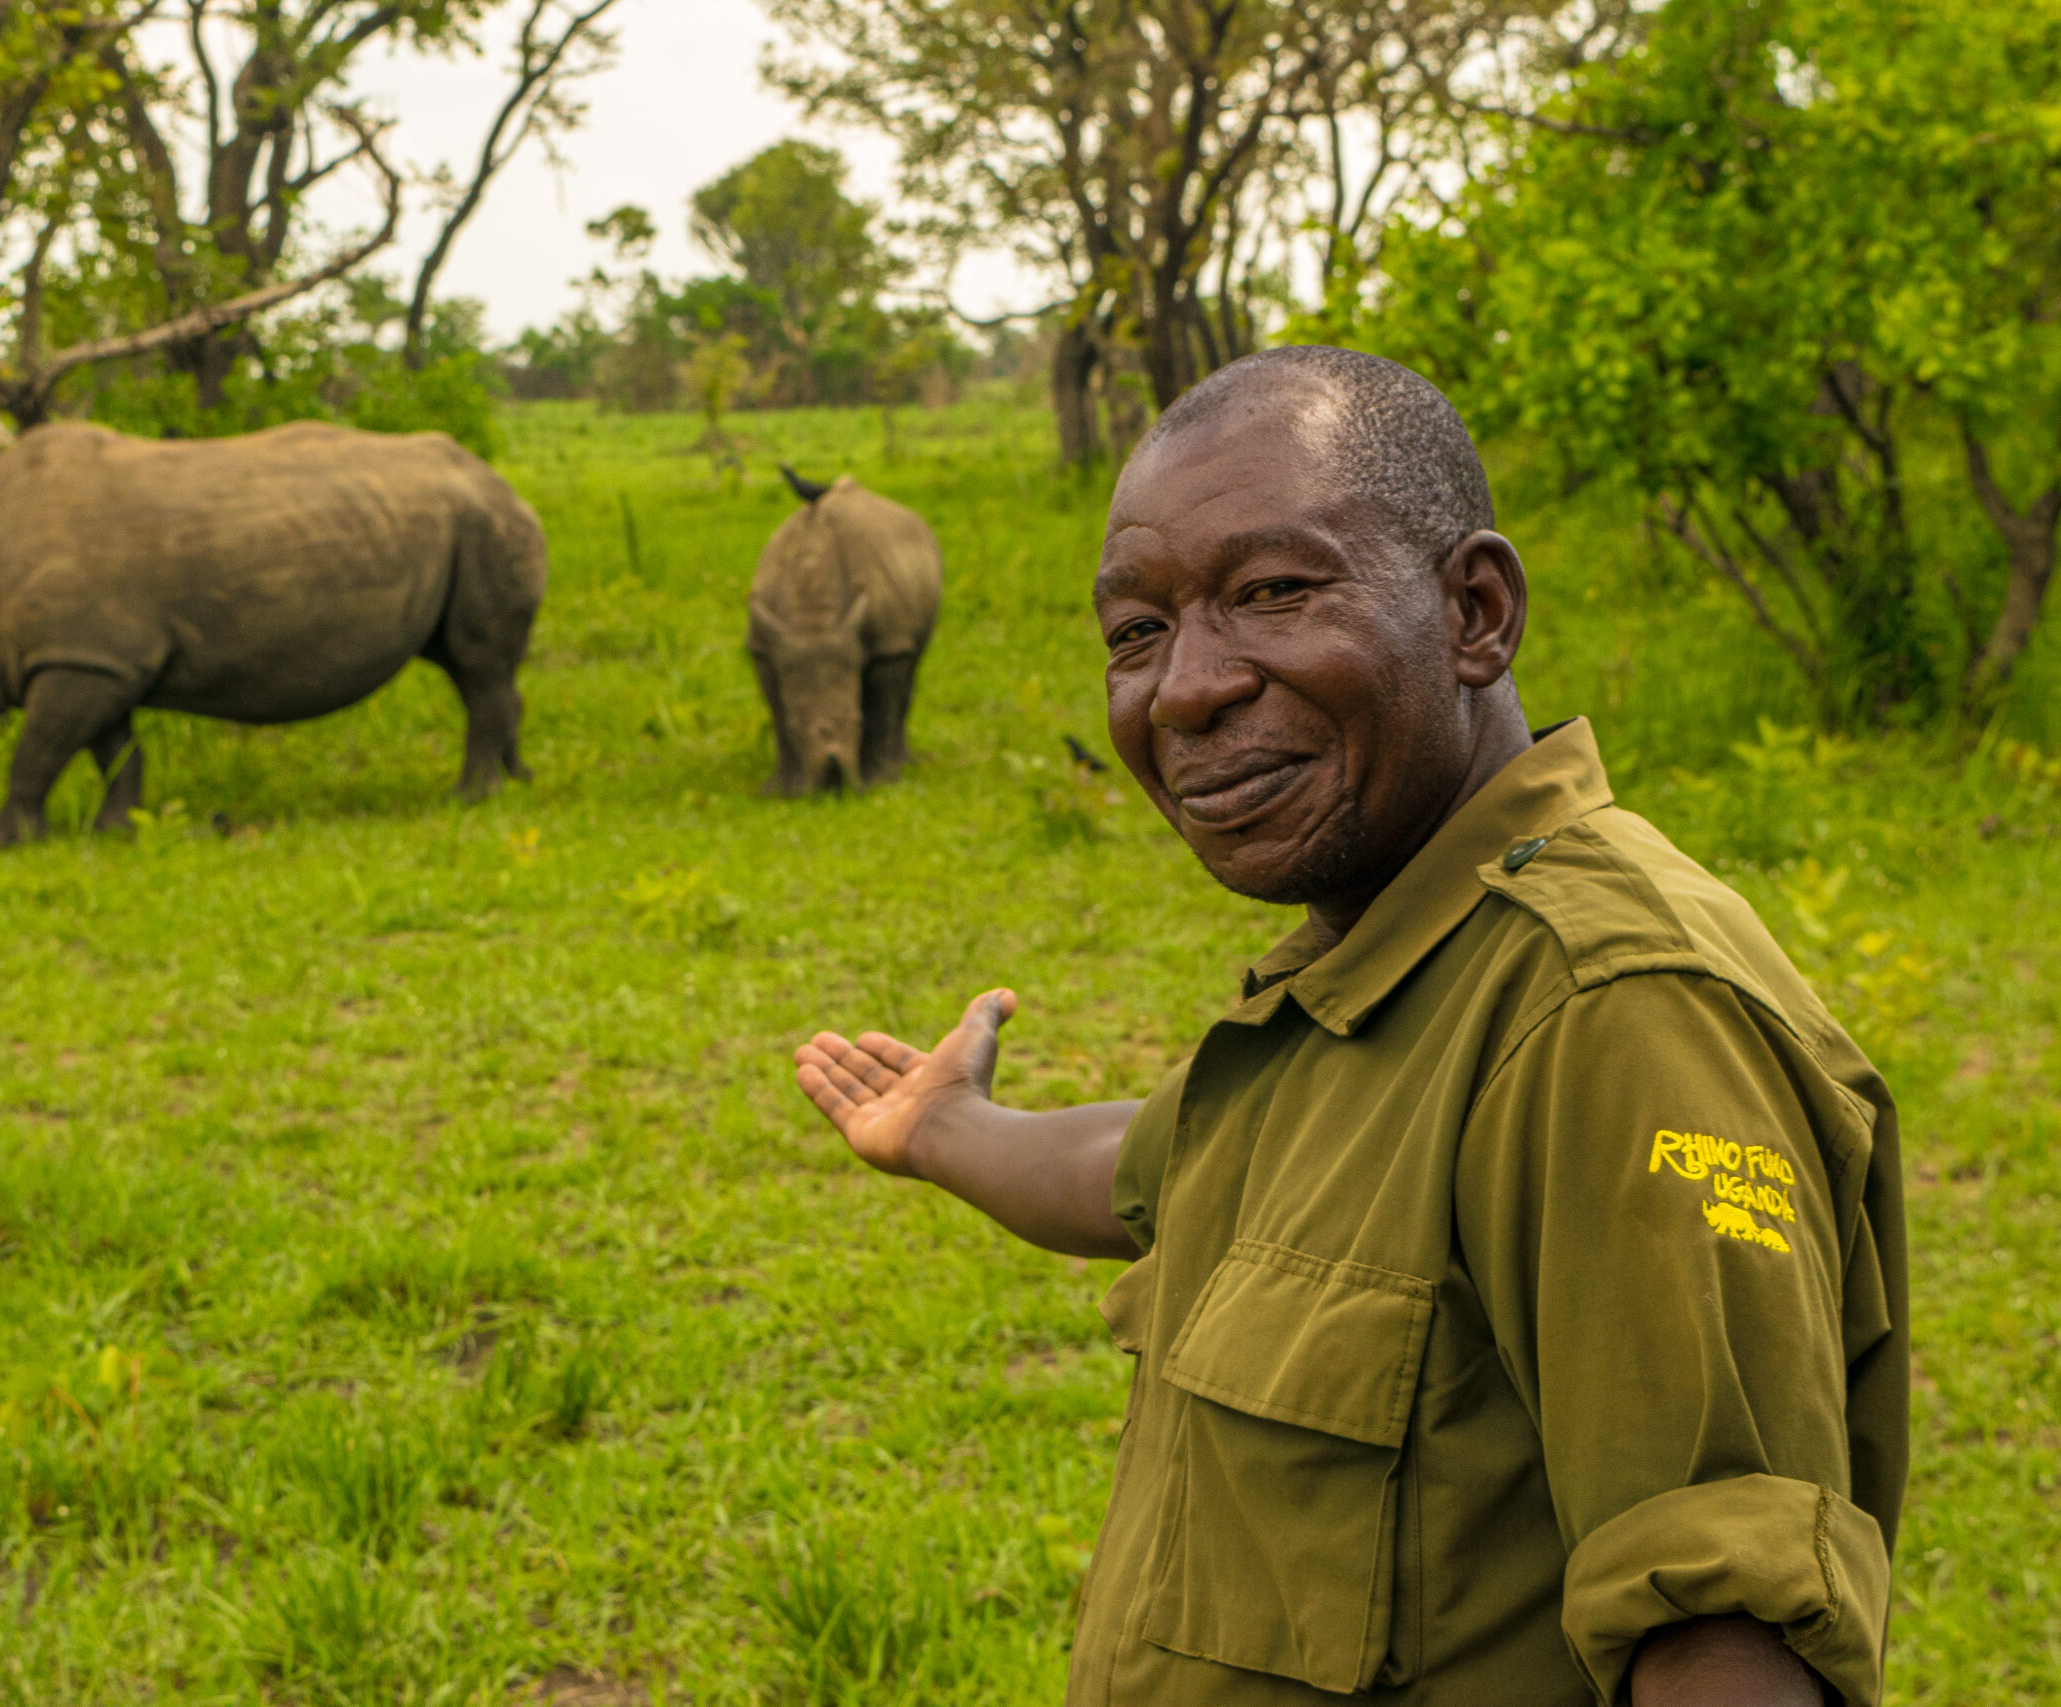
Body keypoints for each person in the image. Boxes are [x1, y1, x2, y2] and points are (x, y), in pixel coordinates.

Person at [791, 347, 1906, 1707]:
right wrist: (951, 1127)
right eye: (1135, 634)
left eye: (1271, 592)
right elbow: (1155, 1171)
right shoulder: (1390, 961)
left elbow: (1722, 1640)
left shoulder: (1607, 1015)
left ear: (1475, 611)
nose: (1184, 688)